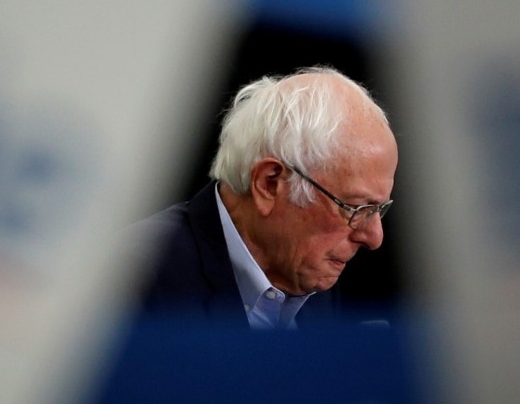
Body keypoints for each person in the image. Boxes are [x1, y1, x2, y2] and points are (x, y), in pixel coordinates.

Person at [127, 66, 398, 329]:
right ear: (269, 184)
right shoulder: (133, 282)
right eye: (356, 207)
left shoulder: (314, 284)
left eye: (379, 208)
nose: (374, 237)